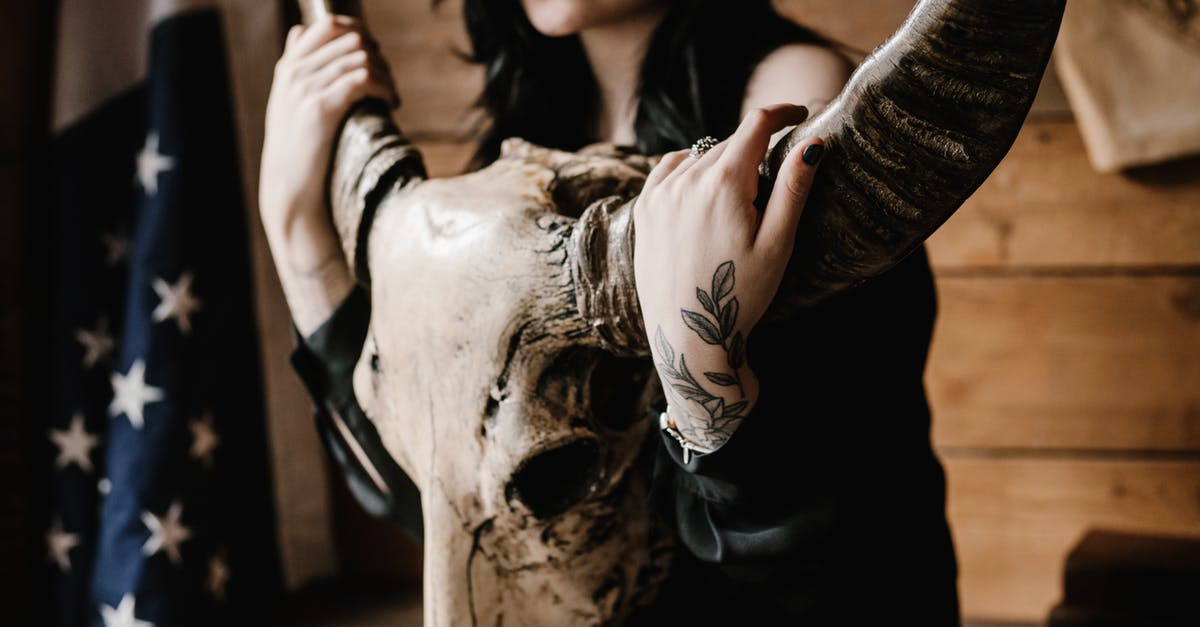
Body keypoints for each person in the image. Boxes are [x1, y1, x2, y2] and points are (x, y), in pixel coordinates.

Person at [260, 0, 961, 623]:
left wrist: (700, 363)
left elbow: (816, 551)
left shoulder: (795, 103)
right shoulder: (524, 139)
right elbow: (456, 511)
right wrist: (296, 233)